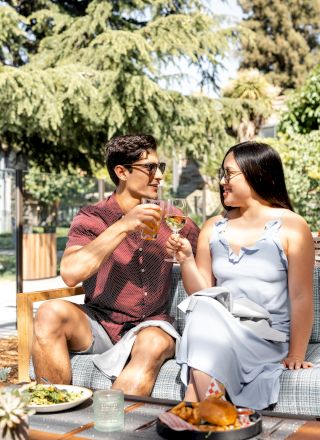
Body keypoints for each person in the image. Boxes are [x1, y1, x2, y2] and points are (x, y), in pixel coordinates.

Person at [32, 134, 199, 394]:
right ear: (121, 171)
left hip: (151, 324)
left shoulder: (172, 217)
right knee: (48, 312)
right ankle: (58, 415)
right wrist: (123, 226)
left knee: (153, 342)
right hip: (100, 323)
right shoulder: (93, 217)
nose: (159, 176)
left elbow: (211, 251)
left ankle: (108, 426)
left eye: (160, 167)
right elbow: (70, 273)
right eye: (150, 168)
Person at [166, 141, 315, 410]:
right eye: (221, 173)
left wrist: (296, 353)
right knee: (203, 308)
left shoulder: (292, 226)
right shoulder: (213, 227)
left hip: (266, 337)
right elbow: (201, 293)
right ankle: (213, 409)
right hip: (216, 331)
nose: (222, 181)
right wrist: (186, 259)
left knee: (203, 323)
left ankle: (194, 405)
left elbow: (302, 296)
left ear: (256, 173)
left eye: (229, 173)